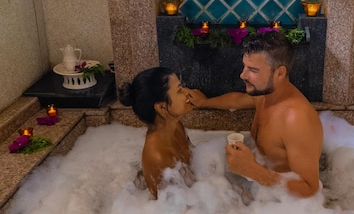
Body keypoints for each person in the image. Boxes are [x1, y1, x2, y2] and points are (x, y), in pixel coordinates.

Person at [187, 31, 323, 198]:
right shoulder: (265, 94)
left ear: (279, 73)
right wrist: (205, 102)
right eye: (244, 66)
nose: (243, 75)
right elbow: (237, 100)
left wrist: (253, 171)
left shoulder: (296, 119)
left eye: (252, 70)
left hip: (287, 206)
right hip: (263, 190)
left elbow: (310, 189)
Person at [119, 67, 194, 199]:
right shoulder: (157, 157)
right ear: (162, 107)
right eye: (179, 90)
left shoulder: (176, 126)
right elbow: (173, 211)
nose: (187, 93)